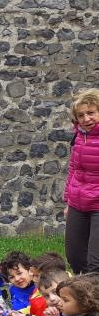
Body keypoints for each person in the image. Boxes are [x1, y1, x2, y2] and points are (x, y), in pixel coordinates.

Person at [65, 88, 99, 274]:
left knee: (96, 262)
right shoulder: (78, 137)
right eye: (81, 115)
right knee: (75, 257)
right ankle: (87, 297)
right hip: (78, 203)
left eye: (91, 113)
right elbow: (73, 171)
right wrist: (68, 201)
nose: (86, 119)